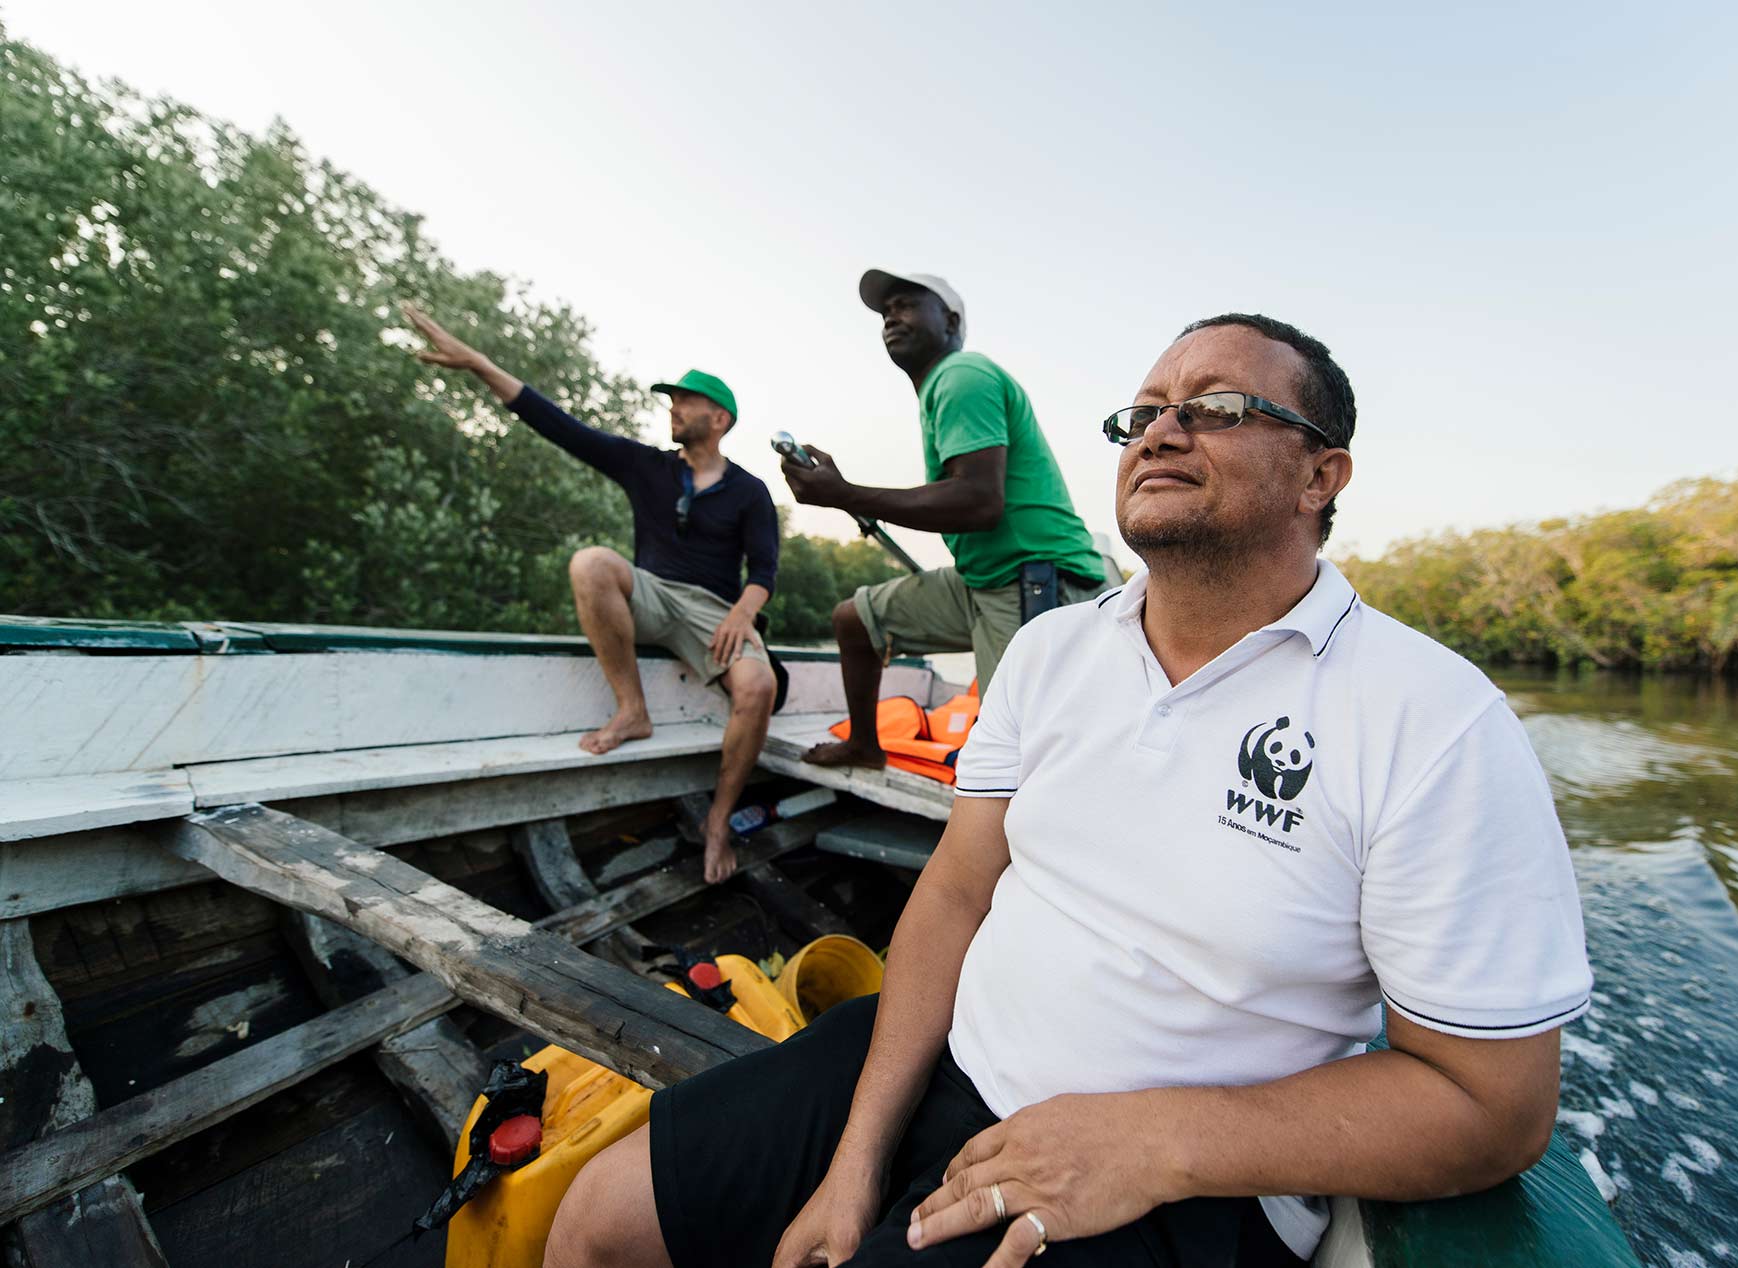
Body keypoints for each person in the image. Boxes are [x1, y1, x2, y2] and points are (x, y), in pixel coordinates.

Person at [543, 312, 1594, 1267]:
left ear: (1321, 476)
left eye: (1216, 407)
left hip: (1181, 1180)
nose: (1160, 432)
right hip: (942, 1054)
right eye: (1141, 414)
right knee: (593, 1225)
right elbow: (955, 891)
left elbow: (1493, 1107)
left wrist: (1160, 1140)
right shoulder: (1050, 651)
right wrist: (855, 1154)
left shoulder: (1432, 719)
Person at [403, 304, 778, 884]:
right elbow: (556, 423)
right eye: (671, 400)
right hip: (651, 594)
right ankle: (632, 711)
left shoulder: (750, 490)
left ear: (720, 419)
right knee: (591, 562)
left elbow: (765, 570)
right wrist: (478, 364)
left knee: (758, 684)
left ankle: (718, 822)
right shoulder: (644, 465)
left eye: (685, 401)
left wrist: (744, 613)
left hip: (714, 609)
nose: (673, 409)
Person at [782, 271, 1112, 769]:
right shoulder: (939, 390)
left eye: (908, 304)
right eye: (887, 309)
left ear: (952, 320)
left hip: (1037, 578)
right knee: (854, 620)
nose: (892, 315)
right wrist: (843, 494)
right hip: (982, 579)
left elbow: (979, 502)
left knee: (1011, 758)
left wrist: (844, 493)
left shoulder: (963, 375)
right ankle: (866, 746)